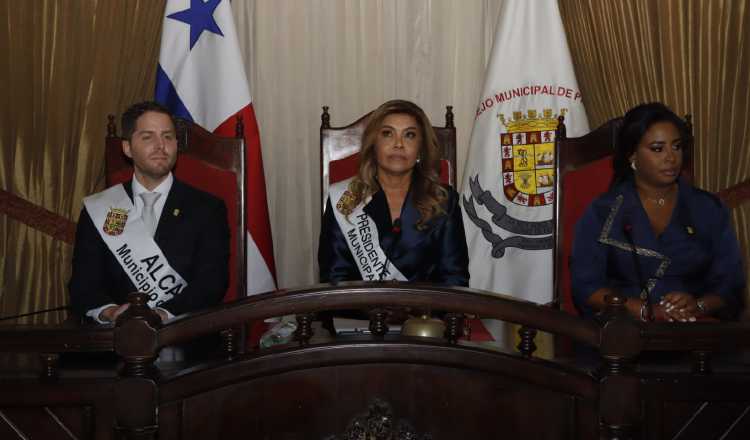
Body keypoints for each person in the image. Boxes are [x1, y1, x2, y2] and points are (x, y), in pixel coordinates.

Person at [571, 102, 745, 322]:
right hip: (622, 333)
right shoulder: (602, 211)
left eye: (677, 146)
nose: (671, 158)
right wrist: (644, 310)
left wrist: (698, 305)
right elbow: (585, 286)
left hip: (696, 334)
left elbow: (730, 282)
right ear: (632, 156)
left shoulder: (709, 208)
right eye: (657, 149)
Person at [69, 101, 230, 325]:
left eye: (168, 136)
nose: (160, 146)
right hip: (112, 341)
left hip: (184, 338)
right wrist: (111, 312)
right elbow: (83, 284)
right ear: (127, 148)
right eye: (147, 137)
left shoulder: (207, 209)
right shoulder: (101, 209)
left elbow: (211, 284)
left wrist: (162, 314)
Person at [318, 99, 469, 286]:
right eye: (388, 134)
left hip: (426, 314)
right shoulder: (345, 199)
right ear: (374, 145)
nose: (398, 144)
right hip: (356, 314)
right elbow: (334, 279)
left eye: (410, 135)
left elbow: (455, 281)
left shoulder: (444, 202)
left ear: (421, 148)